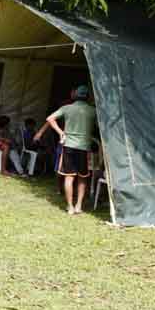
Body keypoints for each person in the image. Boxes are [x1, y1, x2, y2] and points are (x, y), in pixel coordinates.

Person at [35, 85, 97, 215]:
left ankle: (70, 207)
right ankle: (79, 206)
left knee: (69, 177)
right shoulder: (93, 111)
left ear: (75, 95)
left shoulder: (66, 108)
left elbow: (50, 119)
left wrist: (61, 132)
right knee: (82, 178)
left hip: (68, 146)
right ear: (88, 97)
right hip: (84, 148)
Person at [0, 104, 25, 176]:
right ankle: (3, 170)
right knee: (6, 146)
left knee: (10, 144)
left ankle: (17, 168)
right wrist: (4, 139)